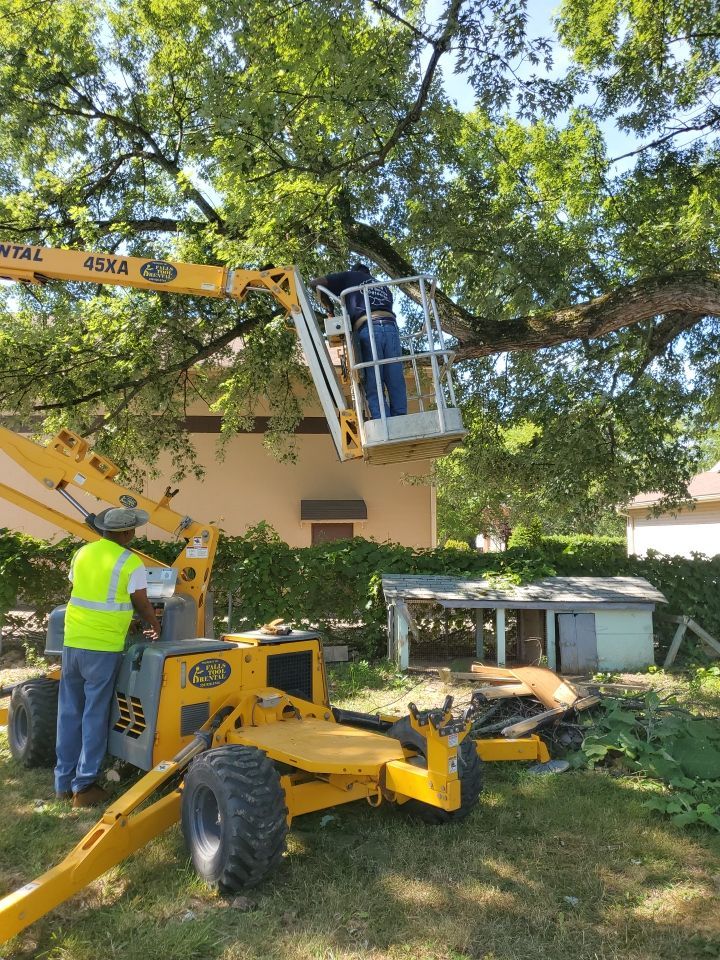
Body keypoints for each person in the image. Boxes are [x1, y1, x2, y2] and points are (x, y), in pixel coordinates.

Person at [54, 507, 161, 807]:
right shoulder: (131, 561)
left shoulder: (82, 553)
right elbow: (140, 602)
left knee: (69, 712)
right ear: (127, 533)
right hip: (103, 649)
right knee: (94, 715)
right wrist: (153, 623)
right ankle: (85, 787)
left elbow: (85, 589)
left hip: (73, 643)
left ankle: (62, 783)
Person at [310, 263, 408, 420]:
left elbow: (315, 283)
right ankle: (401, 421)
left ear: (355, 271)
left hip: (369, 328)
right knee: (394, 377)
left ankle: (383, 423)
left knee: (373, 379)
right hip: (391, 327)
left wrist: (330, 310)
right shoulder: (384, 287)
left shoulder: (349, 277)